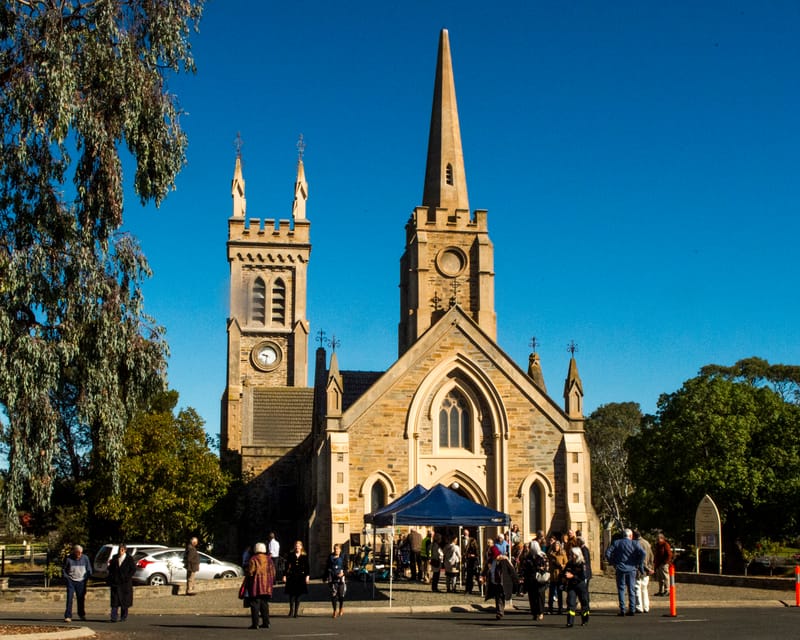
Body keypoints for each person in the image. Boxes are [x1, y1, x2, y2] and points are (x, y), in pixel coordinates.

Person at [605, 528, 645, 616]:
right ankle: (632, 609)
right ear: (630, 536)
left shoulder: (617, 542)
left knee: (621, 589)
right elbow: (643, 553)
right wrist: (638, 562)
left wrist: (613, 562)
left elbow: (607, 553)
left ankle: (622, 609)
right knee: (631, 589)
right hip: (631, 569)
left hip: (620, 569)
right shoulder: (634, 543)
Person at [482, 543, 518, 620]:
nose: (496, 558)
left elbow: (512, 571)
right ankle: (500, 612)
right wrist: (482, 575)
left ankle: (500, 610)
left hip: (503, 582)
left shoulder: (504, 561)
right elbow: (485, 569)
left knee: (501, 596)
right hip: (494, 582)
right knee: (498, 597)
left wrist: (516, 579)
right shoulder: (491, 561)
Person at [246, 542, 276, 629]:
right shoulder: (269, 559)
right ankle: (266, 622)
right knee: (264, 604)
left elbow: (251, 572)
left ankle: (255, 624)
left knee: (255, 604)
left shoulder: (254, 559)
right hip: (267, 585)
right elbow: (273, 572)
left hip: (256, 584)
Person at [63, 544, 92, 623]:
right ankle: (68, 616)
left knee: (81, 598)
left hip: (81, 581)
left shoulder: (85, 558)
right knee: (69, 598)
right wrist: (67, 578)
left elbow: (89, 569)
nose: (79, 555)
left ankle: (81, 614)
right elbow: (64, 570)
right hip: (71, 581)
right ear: (74, 552)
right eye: (77, 553)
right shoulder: (69, 559)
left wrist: (87, 577)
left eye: (80, 553)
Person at [108, 543, 136, 622]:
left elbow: (133, 569)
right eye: (120, 549)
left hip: (125, 583)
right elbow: (110, 568)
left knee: (124, 601)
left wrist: (127, 577)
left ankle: (123, 616)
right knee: (115, 601)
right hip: (116, 582)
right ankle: (113, 617)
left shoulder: (129, 559)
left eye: (122, 550)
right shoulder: (115, 557)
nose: (121, 551)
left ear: (125, 550)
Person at [521, 540, 548, 621]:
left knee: (540, 596)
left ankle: (541, 612)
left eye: (530, 546)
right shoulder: (528, 556)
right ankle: (534, 613)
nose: (528, 548)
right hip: (530, 579)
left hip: (539, 579)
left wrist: (539, 568)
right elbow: (525, 567)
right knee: (532, 597)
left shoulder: (542, 555)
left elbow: (545, 567)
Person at [563, 546, 590, 627]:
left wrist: (573, 576)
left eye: (573, 554)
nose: (571, 555)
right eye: (571, 554)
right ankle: (570, 622)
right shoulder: (569, 563)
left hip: (580, 585)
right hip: (572, 586)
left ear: (577, 554)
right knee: (571, 603)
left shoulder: (582, 563)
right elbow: (565, 572)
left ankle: (585, 619)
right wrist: (564, 576)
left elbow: (583, 576)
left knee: (584, 602)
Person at [283, 540, 310, 617]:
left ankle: (296, 612)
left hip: (301, 577)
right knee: (291, 595)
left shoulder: (304, 556)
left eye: (299, 546)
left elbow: (307, 567)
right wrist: (284, 575)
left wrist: (307, 576)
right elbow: (287, 566)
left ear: (301, 547)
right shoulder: (291, 555)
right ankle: (291, 611)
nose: (297, 547)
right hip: (292, 576)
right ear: (294, 547)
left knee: (298, 595)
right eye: (296, 546)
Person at [634, 530, 654, 613]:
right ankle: (646, 607)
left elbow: (639, 559)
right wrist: (650, 567)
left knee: (637, 588)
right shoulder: (646, 542)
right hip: (647, 570)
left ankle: (639, 607)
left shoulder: (636, 544)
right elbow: (652, 556)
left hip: (640, 569)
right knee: (644, 589)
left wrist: (646, 567)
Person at [326, 543, 347, 618]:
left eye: (337, 549)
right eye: (335, 549)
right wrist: (325, 577)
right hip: (332, 578)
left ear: (340, 550)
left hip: (341, 578)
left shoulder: (343, 556)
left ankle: (341, 608)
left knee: (341, 595)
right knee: (333, 595)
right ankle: (334, 610)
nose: (336, 550)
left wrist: (343, 573)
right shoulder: (330, 556)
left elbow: (346, 567)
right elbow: (327, 566)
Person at [547, 539, 567, 614]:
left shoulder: (562, 553)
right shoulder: (550, 553)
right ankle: (550, 608)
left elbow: (566, 563)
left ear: (559, 546)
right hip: (552, 575)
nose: (556, 547)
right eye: (555, 545)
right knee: (551, 593)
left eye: (557, 545)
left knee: (559, 592)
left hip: (559, 575)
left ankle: (560, 608)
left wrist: (562, 566)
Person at [462, 528, 480, 595]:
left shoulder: (472, 541)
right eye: (464, 533)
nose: (465, 534)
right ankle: (468, 590)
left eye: (466, 533)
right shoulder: (462, 540)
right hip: (468, 560)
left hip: (474, 561)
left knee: (477, 575)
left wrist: (473, 555)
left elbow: (477, 552)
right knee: (469, 576)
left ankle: (482, 589)